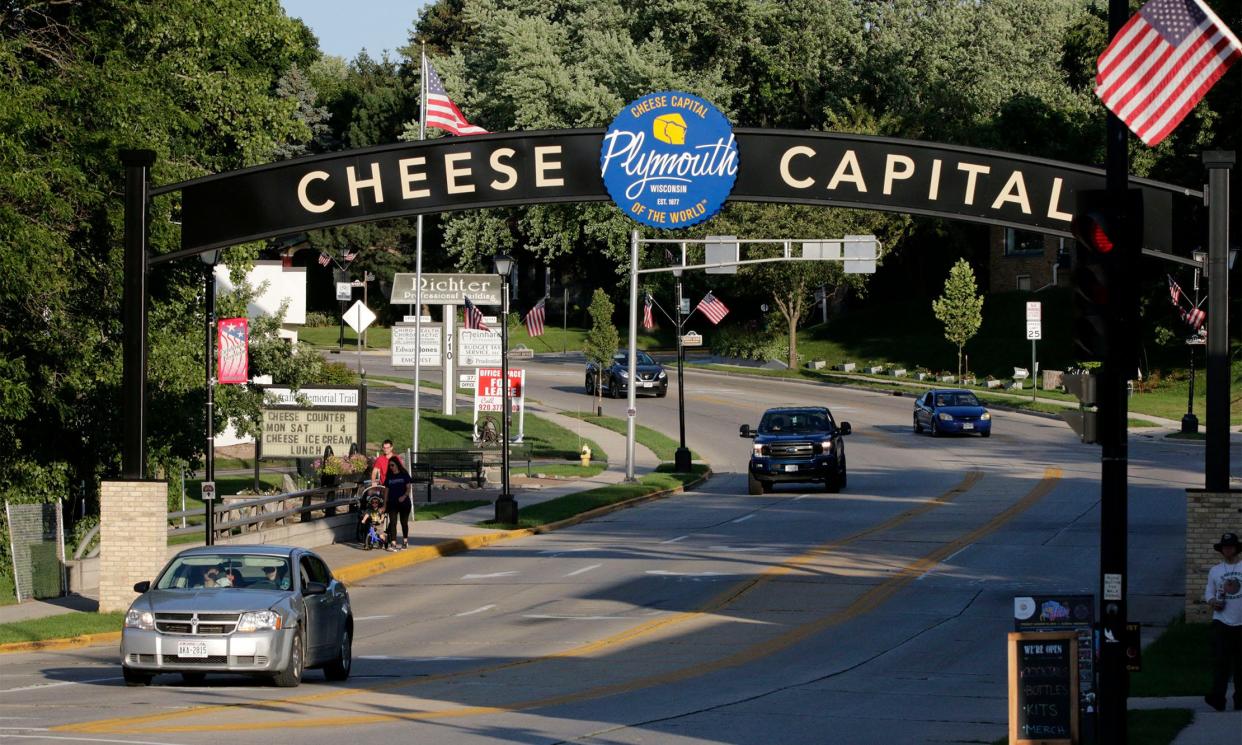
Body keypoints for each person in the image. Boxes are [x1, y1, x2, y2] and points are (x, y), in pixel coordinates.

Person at [1203, 532, 1242, 712]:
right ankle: (1218, 698)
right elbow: (1209, 593)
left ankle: (1240, 700)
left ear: (1236, 549)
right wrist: (1213, 602)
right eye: (1225, 547)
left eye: (1231, 547)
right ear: (1222, 550)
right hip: (1221, 622)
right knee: (1221, 663)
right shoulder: (1215, 570)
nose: (1228, 550)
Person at [384, 457, 413, 551]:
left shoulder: (404, 474)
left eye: (392, 465)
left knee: (404, 522)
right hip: (392, 503)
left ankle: (405, 541)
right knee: (393, 522)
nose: (391, 467)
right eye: (389, 466)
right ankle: (393, 543)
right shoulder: (389, 476)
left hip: (404, 503)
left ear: (397, 464)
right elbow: (386, 491)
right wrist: (385, 504)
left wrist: (404, 496)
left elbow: (408, 488)